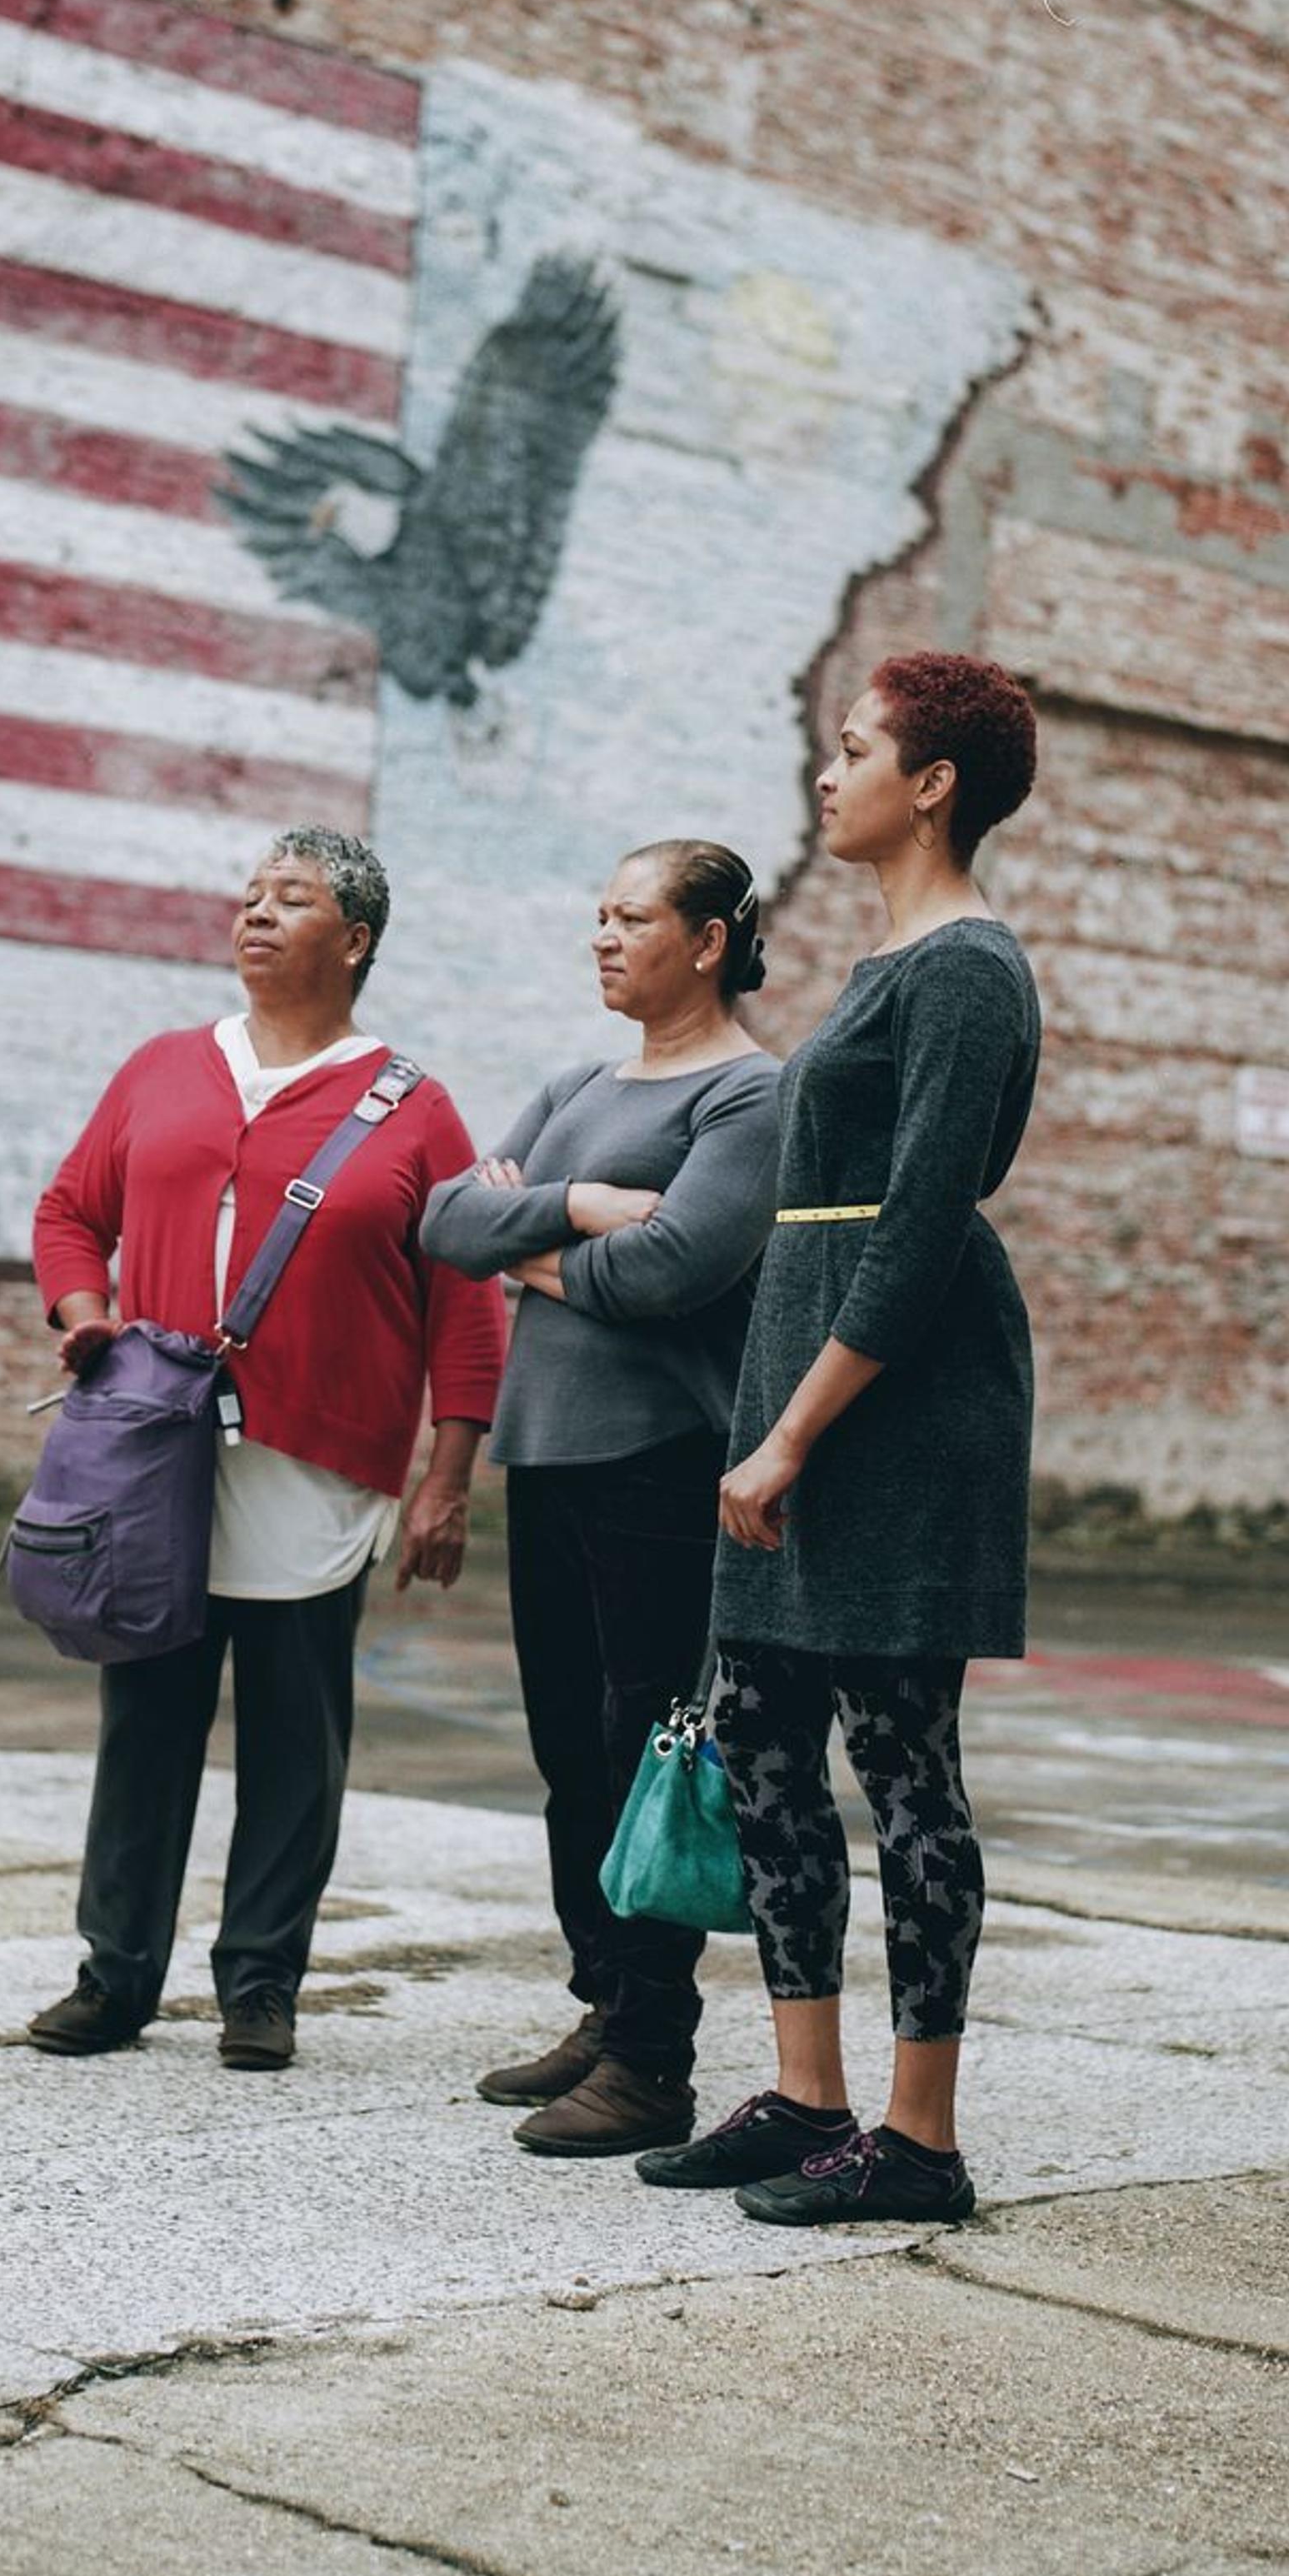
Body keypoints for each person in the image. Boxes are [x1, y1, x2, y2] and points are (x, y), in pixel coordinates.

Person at [637, 653, 1044, 2226]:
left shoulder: (966, 970)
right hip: (808, 1387)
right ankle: (809, 2096)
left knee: (900, 1759)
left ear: (932, 782)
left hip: (901, 1406)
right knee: (758, 1736)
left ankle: (919, 2138)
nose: (830, 770)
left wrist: (794, 1430)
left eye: (858, 746)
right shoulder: (889, 960)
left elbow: (923, 1232)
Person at [22, 827, 504, 2074]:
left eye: (292, 899)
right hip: (154, 1457)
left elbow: (465, 1300)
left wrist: (446, 1478)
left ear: (354, 941)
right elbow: (72, 1209)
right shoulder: (165, 1069)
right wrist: (85, 1313)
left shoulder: (413, 1108)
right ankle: (114, 1975)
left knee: (297, 1734)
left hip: (320, 1463)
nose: (257, 913)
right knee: (147, 1724)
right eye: (249, 895)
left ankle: (261, 1985)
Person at [420, 842, 782, 2159]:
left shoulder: (752, 1095)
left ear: (710, 938)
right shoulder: (577, 1086)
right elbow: (449, 1224)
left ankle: (652, 2059)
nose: (605, 937)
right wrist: (577, 1205)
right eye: (599, 916)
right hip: (551, 1456)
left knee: (647, 1753)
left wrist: (537, 1257)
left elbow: (678, 1267)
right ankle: (604, 1998)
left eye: (633, 917)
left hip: (661, 1462)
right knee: (570, 1749)